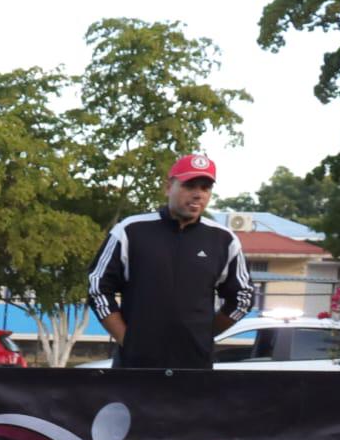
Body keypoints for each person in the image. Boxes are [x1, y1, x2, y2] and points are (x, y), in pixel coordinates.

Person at [88, 153, 256, 369]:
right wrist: (128, 341)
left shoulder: (223, 239)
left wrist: (203, 335)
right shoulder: (131, 230)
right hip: (135, 368)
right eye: (189, 185)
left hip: (194, 369)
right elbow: (98, 287)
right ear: (168, 187)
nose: (198, 194)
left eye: (205, 188)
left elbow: (243, 297)